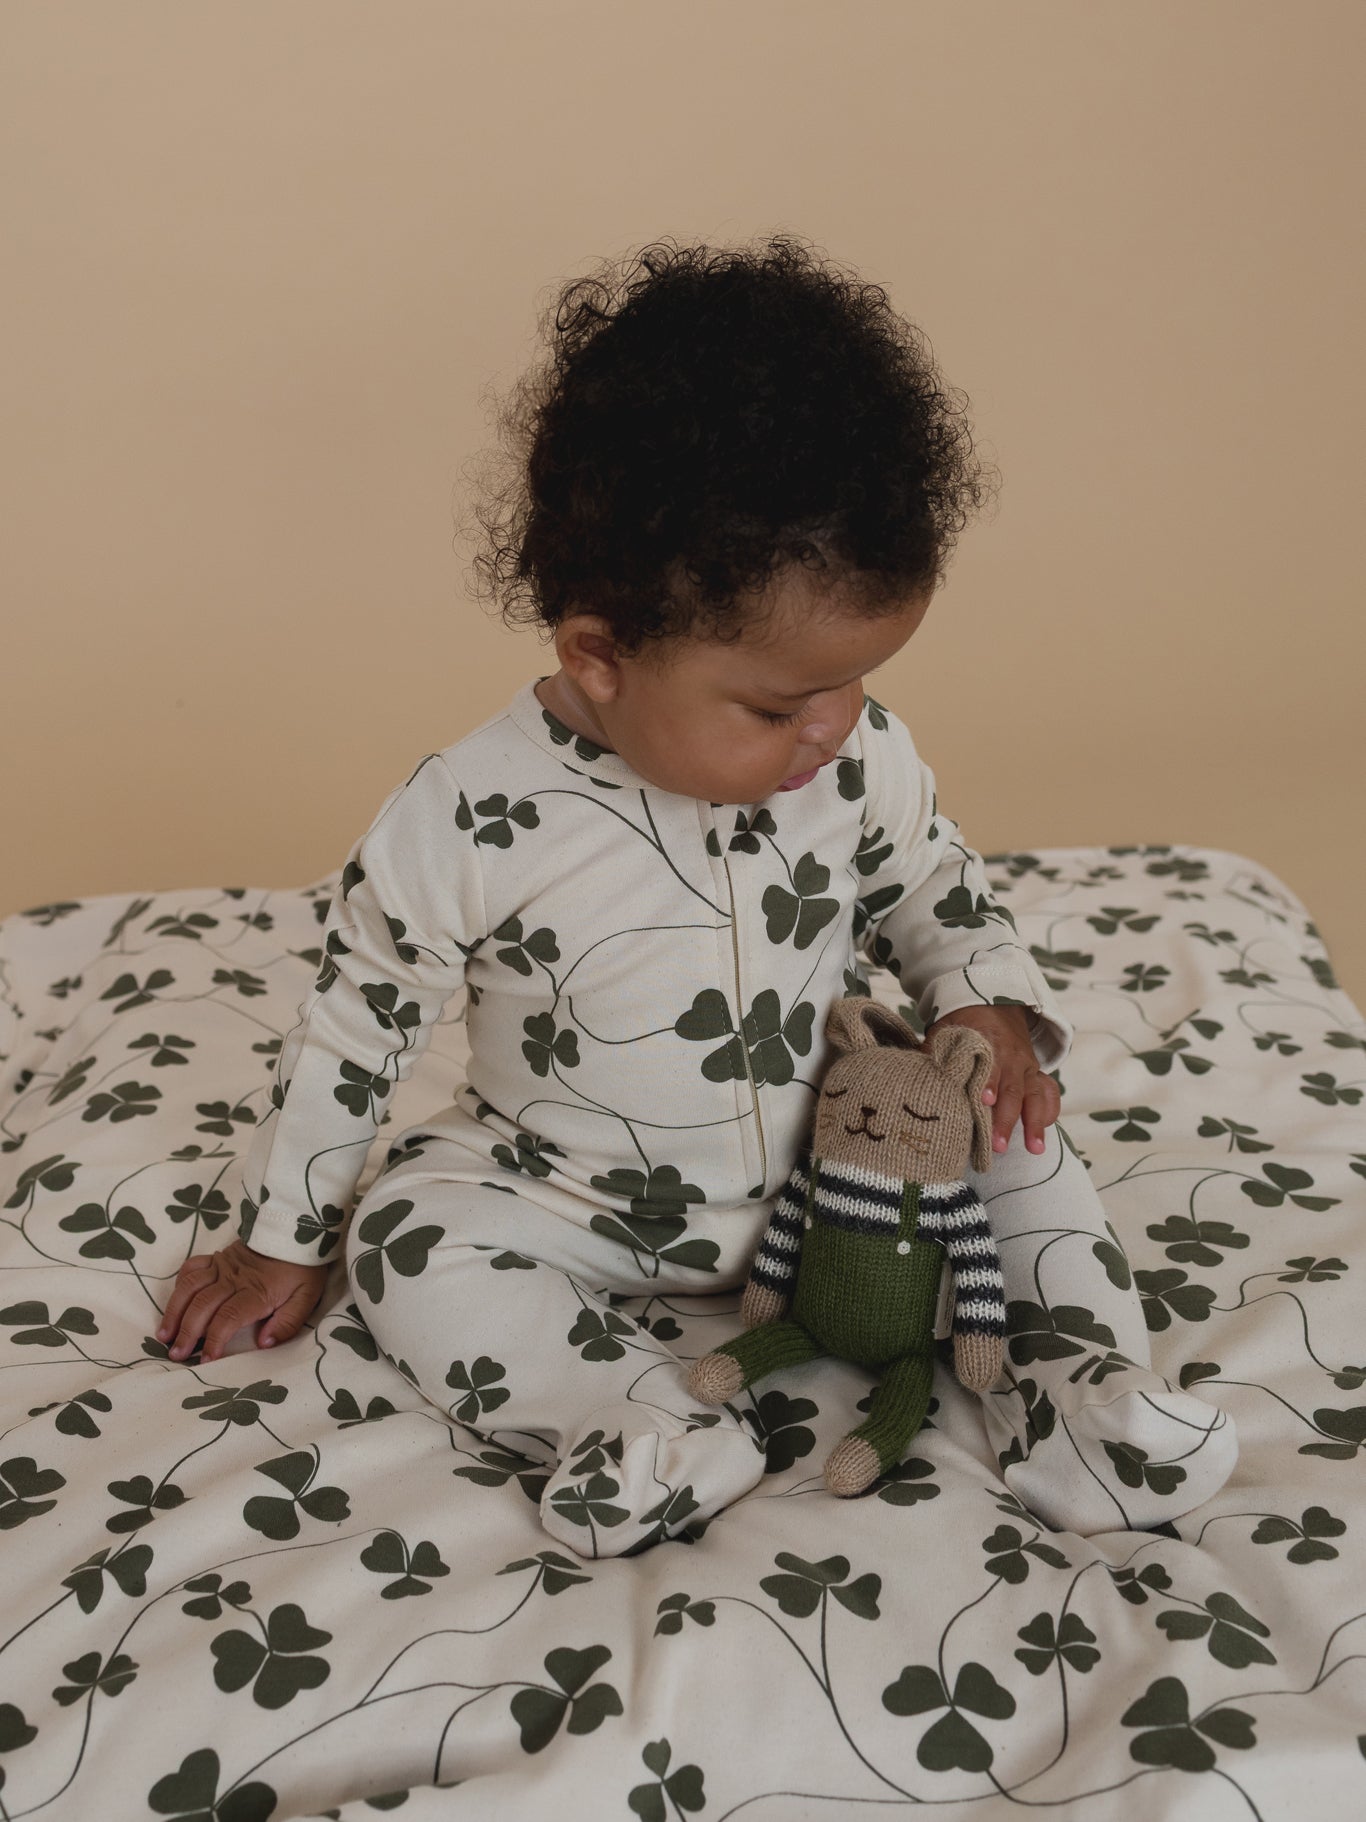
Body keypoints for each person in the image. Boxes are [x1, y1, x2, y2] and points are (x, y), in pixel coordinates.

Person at [155, 235, 1236, 1557]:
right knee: (408, 1234)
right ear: (599, 653)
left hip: (841, 1165)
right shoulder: (469, 813)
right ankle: (635, 1421)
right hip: (563, 1192)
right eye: (781, 701)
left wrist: (987, 1004)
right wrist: (284, 1235)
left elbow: (934, 883)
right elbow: (357, 1027)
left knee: (1015, 1132)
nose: (836, 727)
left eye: (855, 681)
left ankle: (1083, 1401)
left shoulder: (856, 755)